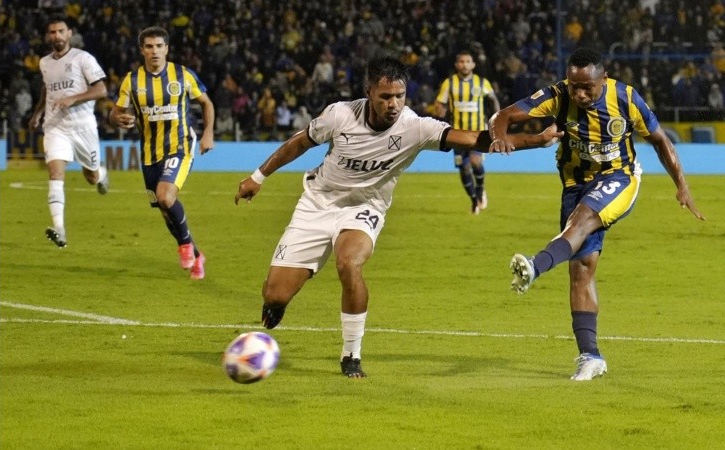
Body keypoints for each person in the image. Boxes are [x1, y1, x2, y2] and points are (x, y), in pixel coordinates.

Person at [235, 56, 561, 378]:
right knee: (274, 293)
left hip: (365, 209)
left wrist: (536, 139)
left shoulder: (415, 127)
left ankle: (351, 355)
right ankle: (279, 301)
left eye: (400, 96)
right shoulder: (339, 115)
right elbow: (300, 143)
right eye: (385, 96)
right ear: (369, 92)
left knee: (349, 263)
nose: (393, 104)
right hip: (317, 205)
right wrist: (258, 177)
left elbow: (476, 139)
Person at [489, 47, 705, 381]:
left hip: (620, 178)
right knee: (581, 269)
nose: (580, 93)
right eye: (575, 85)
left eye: (587, 86)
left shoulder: (627, 98)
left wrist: (682, 185)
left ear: (602, 79)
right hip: (575, 185)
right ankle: (590, 356)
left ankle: (534, 266)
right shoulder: (558, 95)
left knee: (584, 219)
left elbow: (661, 141)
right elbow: (505, 114)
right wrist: (500, 135)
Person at [109, 26, 215, 280]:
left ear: (166, 48)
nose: (154, 51)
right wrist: (118, 118)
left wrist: (208, 132)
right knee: (165, 210)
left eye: (159, 46)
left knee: (166, 196)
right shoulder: (131, 81)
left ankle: (185, 247)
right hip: (148, 153)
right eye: (149, 46)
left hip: (179, 145)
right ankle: (196, 253)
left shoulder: (182, 75)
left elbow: (206, 102)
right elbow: (115, 112)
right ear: (142, 50)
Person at [29, 15, 110, 248]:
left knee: (90, 176)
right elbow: (47, 88)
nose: (57, 36)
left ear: (69, 33)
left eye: (60, 31)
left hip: (83, 127)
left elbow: (102, 89)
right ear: (48, 36)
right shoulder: (44, 62)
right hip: (55, 126)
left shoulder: (83, 58)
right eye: (52, 32)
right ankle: (59, 229)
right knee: (55, 174)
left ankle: (101, 174)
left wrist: (75, 98)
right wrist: (37, 113)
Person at [434, 50, 500, 214]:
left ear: (473, 64)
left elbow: (493, 100)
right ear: (457, 65)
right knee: (464, 169)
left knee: (476, 162)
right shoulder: (449, 83)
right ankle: (474, 201)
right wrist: (439, 110)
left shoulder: (481, 82)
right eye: (461, 61)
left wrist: (497, 120)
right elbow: (439, 103)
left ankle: (480, 190)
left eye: (467, 61)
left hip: (478, 132)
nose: (464, 64)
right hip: (456, 133)